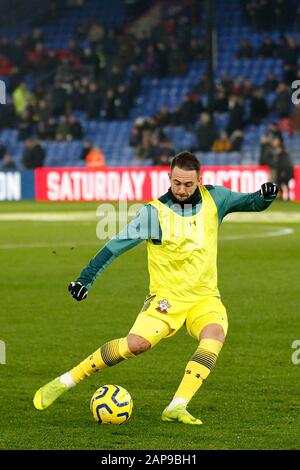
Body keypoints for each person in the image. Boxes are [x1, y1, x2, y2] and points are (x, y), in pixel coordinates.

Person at [33, 151, 278, 425]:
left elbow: (252, 203)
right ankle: (66, 380)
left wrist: (265, 195)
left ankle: (177, 405)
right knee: (136, 345)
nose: (182, 190)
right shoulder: (154, 213)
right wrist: (85, 279)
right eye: (176, 183)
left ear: (200, 180)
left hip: (204, 298)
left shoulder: (216, 199)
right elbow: (115, 246)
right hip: (165, 300)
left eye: (188, 184)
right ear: (169, 178)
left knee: (214, 334)